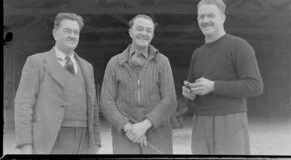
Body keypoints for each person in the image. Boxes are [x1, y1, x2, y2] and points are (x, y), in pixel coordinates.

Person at [182, 0, 263, 155]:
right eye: (201, 16)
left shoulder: (239, 46)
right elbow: (194, 90)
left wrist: (213, 86)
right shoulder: (197, 54)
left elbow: (255, 86)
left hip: (230, 120)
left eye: (210, 15)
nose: (205, 20)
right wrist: (190, 94)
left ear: (222, 18)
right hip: (201, 121)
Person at [14, 13, 101, 154]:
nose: (72, 36)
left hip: (84, 140)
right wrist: (25, 145)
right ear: (55, 34)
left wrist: (96, 143)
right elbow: (23, 104)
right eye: (67, 31)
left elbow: (94, 108)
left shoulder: (87, 67)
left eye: (76, 32)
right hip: (50, 140)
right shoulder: (36, 62)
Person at [100, 14, 177, 154]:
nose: (144, 33)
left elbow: (169, 100)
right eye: (139, 29)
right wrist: (128, 127)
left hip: (158, 133)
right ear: (130, 32)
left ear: (152, 35)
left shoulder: (162, 62)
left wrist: (144, 126)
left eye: (148, 30)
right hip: (125, 135)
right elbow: (106, 101)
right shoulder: (114, 63)